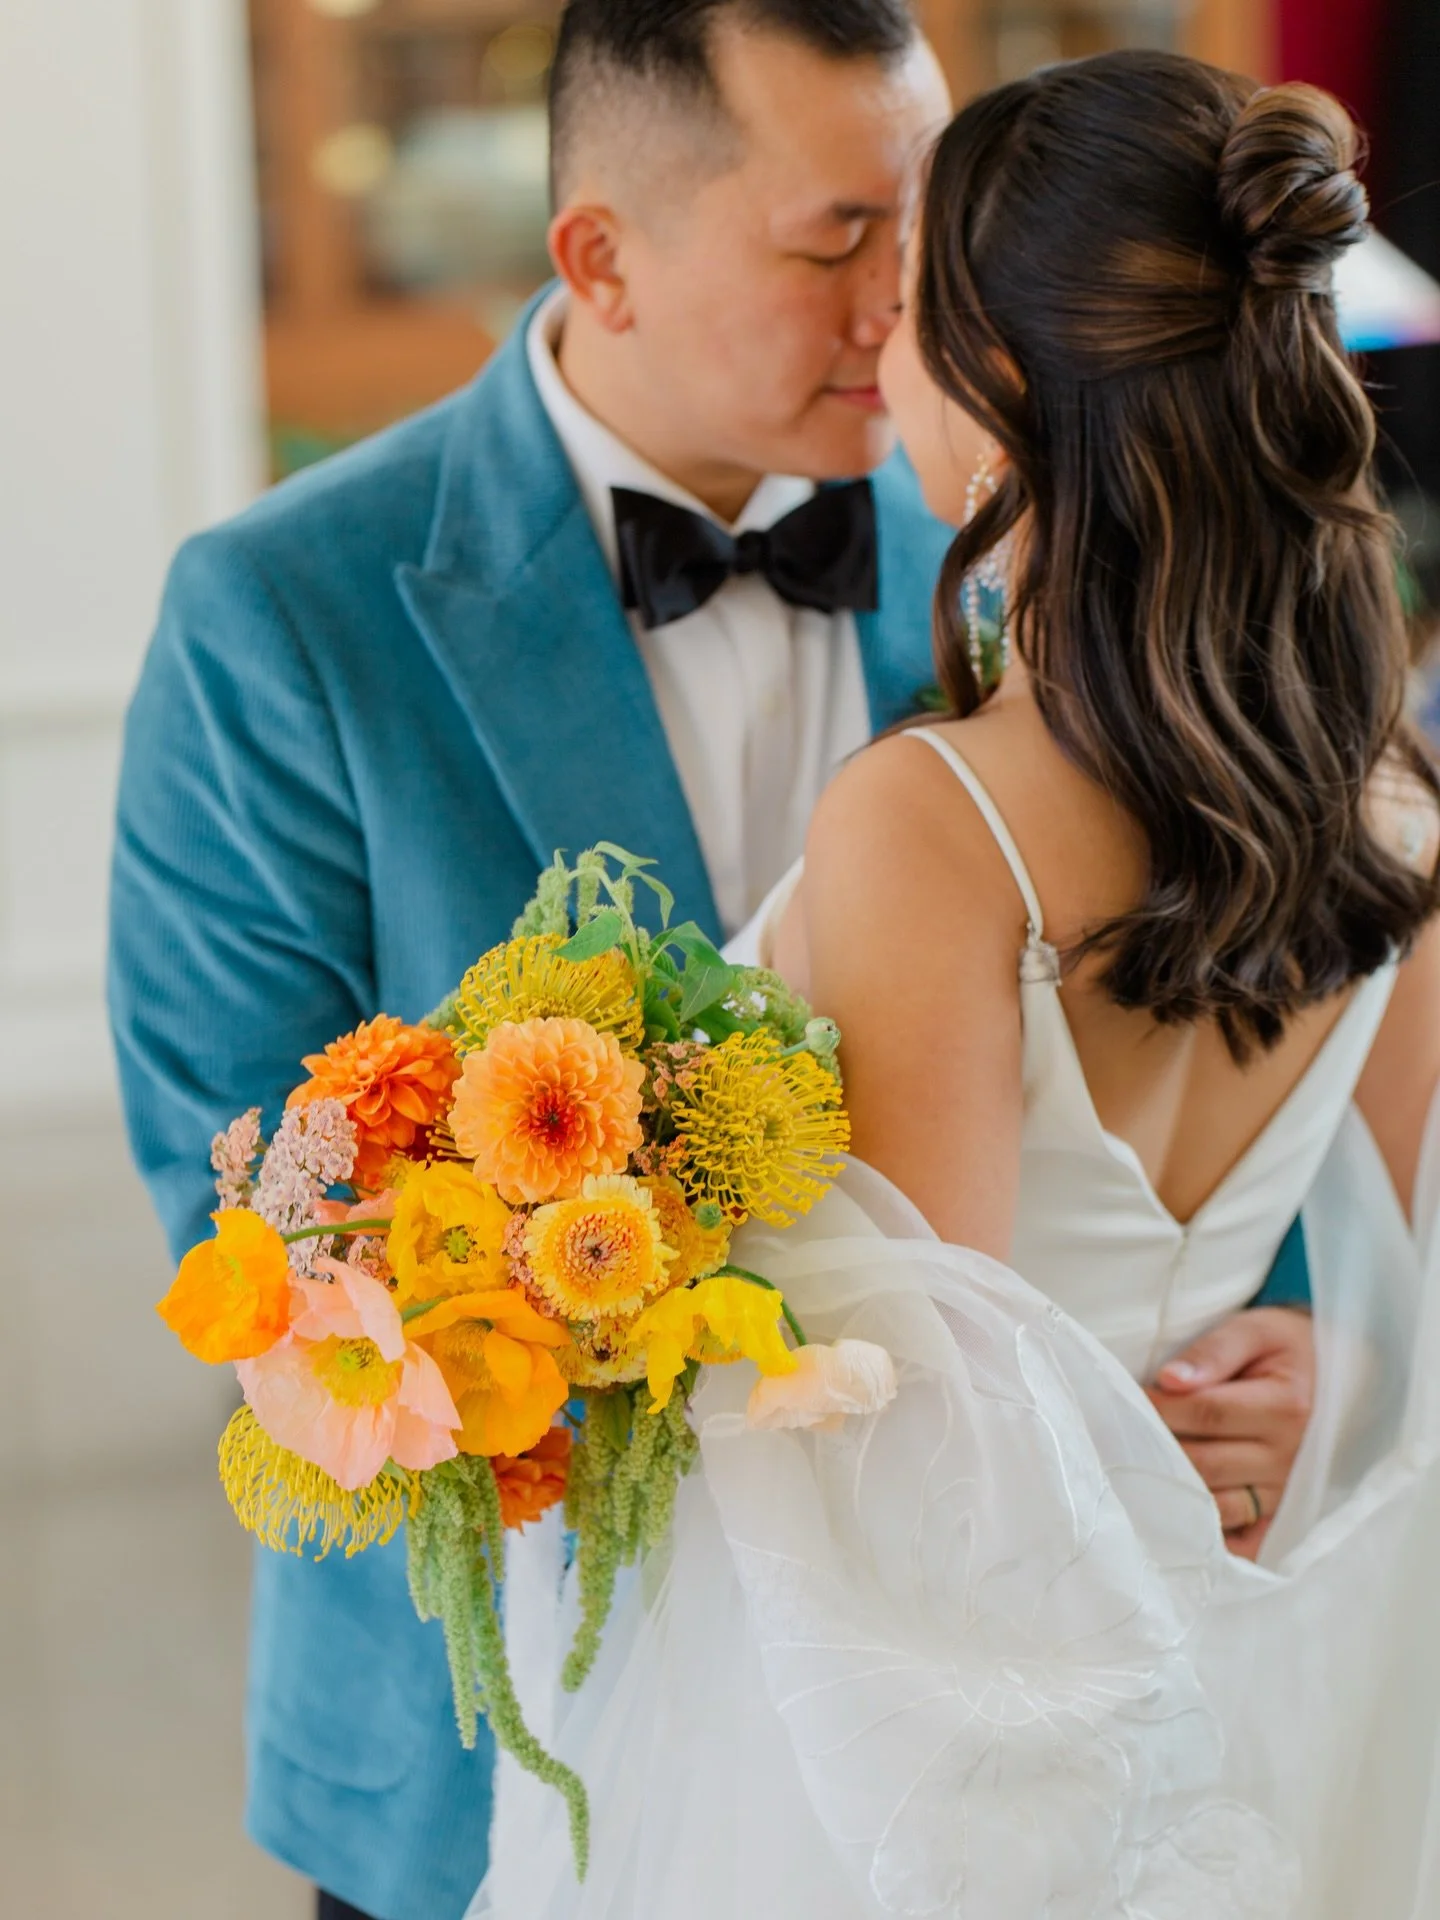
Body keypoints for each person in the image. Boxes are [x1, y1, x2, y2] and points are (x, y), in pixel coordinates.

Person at [110, 9, 1317, 1919]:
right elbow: (242, 1191)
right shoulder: (286, 610)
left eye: (928, 235)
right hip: (500, 1737)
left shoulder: (1037, 541)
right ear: (601, 255)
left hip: (1036, 1706)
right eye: (839, 239)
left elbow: (1239, 959)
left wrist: (1300, 1338)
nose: (907, 303)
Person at [480, 52, 1440, 1919]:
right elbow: (1410, 1289)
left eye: (909, 308)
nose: (877, 347)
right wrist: (1317, 1380)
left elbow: (946, 1434)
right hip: (1225, 1660)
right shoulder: (1404, 806)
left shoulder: (936, 821)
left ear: (1000, 396)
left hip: (946, 1740)